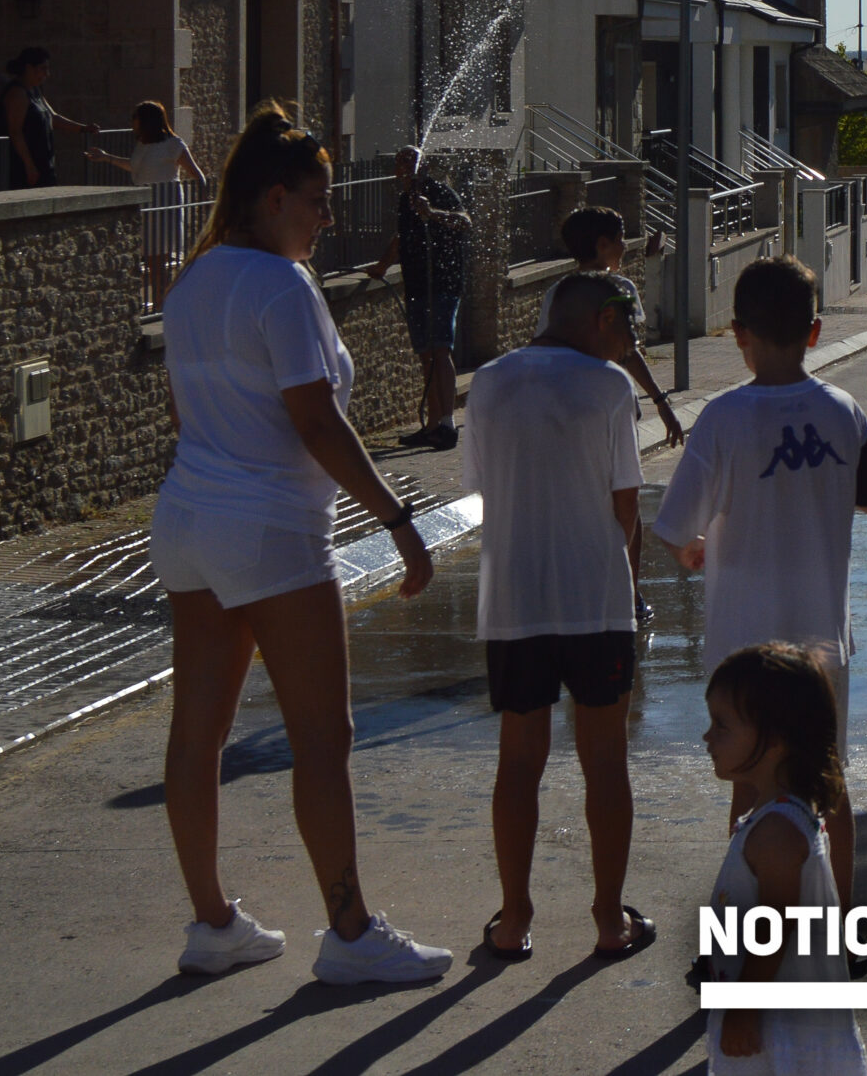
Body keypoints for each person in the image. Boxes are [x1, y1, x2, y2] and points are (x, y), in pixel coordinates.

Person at [148, 105, 450, 985]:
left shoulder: (194, 281)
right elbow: (316, 421)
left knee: (197, 733)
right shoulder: (282, 285)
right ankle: (350, 933)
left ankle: (212, 924)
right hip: (271, 527)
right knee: (323, 735)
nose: (327, 216)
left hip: (188, 520)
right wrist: (398, 521)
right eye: (316, 201)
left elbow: (186, 413)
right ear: (273, 198)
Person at [655, 257, 867, 898]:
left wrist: (691, 549)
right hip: (822, 640)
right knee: (829, 779)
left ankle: (748, 919)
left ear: (737, 333)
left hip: (744, 642)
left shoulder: (723, 418)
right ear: (815, 331)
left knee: (749, 784)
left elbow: (675, 526)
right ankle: (838, 921)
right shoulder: (842, 410)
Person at [463, 271, 654, 961]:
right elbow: (625, 504)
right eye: (629, 328)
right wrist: (617, 574)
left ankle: (514, 918)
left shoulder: (488, 383)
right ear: (602, 319)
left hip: (514, 599)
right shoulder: (608, 386)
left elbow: (483, 490)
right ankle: (608, 918)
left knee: (518, 760)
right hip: (594, 599)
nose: (632, 343)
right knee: (605, 759)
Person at [700, 643, 867, 1076]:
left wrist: (744, 1009)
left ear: (774, 740)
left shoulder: (776, 831)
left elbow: (774, 928)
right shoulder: (781, 813)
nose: (707, 737)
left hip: (780, 1034)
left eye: (721, 725)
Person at [366, 146, 472, 450]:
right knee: (426, 353)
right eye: (402, 162)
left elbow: (465, 222)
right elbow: (403, 237)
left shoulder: (438, 192)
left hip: (442, 282)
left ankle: (448, 425)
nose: (406, 168)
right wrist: (382, 266)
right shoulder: (405, 200)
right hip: (416, 284)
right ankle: (432, 424)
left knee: (440, 349)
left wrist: (433, 213)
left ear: (423, 167)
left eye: (411, 162)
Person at [561, 205, 686, 449]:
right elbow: (629, 352)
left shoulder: (558, 294)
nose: (625, 246)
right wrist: (660, 401)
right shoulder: (620, 289)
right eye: (620, 239)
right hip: (612, 406)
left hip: (571, 411)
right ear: (602, 245)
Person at [88, 101, 208, 303]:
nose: (133, 122)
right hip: (146, 207)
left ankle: (162, 304)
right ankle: (161, 303)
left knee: (159, 262)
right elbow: (136, 168)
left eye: (135, 118)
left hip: (164, 207)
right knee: (153, 261)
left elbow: (197, 175)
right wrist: (107, 158)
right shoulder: (143, 144)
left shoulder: (174, 145)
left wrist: (202, 204)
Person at [0, 47, 95, 189]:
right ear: (29, 68)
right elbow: (15, 132)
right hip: (25, 167)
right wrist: (29, 165)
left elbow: (52, 117)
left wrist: (82, 128)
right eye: (43, 69)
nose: (46, 74)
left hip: (44, 163)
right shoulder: (17, 93)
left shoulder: (35, 90)